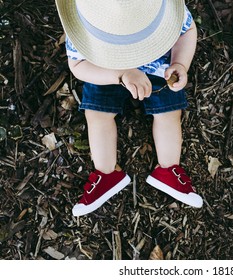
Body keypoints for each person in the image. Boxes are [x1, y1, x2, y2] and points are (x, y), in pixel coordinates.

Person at [55, 0, 203, 216]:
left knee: (168, 112)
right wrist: (120, 75)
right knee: (97, 113)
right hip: (106, 67)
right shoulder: (85, 21)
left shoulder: (164, 8)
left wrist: (180, 64)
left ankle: (169, 169)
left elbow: (187, 30)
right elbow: (78, 66)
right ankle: (106, 173)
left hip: (157, 63)